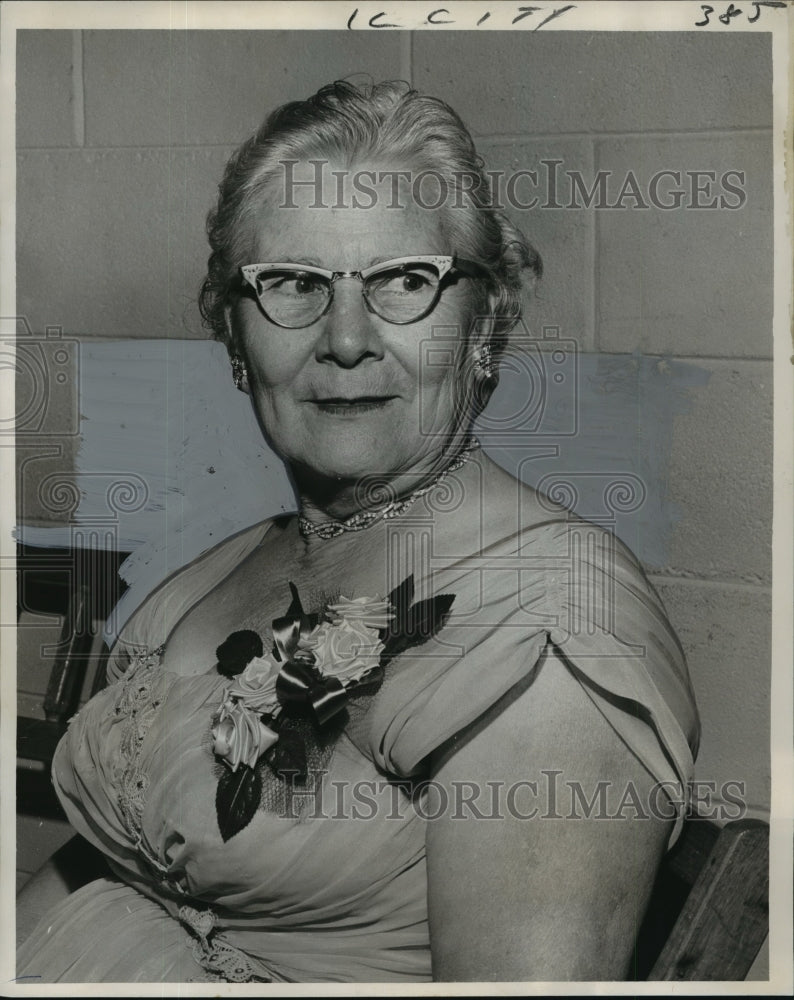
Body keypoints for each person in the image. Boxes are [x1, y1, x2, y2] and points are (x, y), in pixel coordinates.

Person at [17, 80, 699, 983]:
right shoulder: (223, 567)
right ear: (233, 330)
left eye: (404, 282)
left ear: (485, 322)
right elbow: (94, 877)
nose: (346, 340)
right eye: (292, 284)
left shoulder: (551, 629)